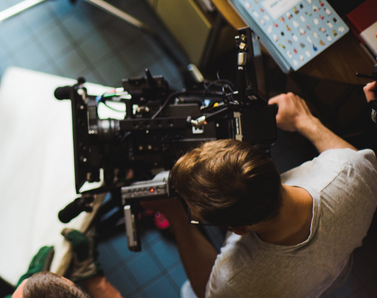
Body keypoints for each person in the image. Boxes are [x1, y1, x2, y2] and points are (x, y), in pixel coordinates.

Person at [145, 87, 377, 298]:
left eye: (194, 213)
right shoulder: (352, 173)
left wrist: (176, 215)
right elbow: (350, 158)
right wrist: (303, 120)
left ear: (240, 229)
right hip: (333, 270)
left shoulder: (235, 284)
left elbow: (206, 293)